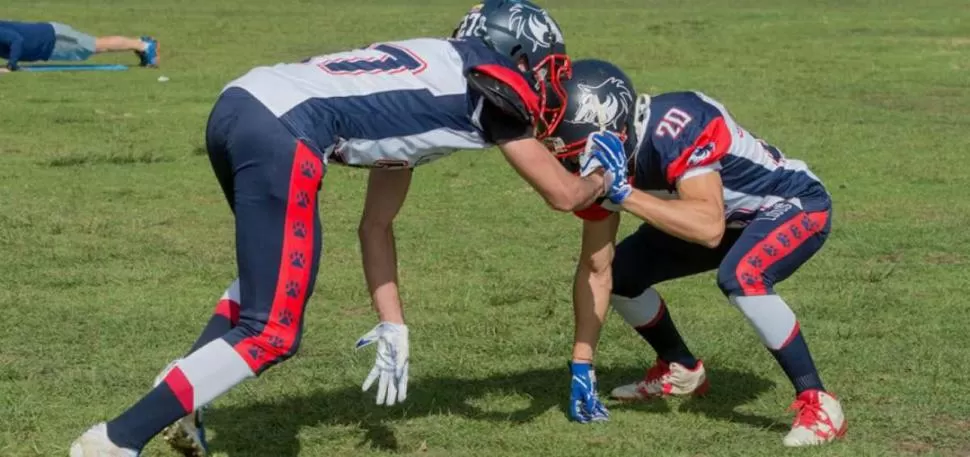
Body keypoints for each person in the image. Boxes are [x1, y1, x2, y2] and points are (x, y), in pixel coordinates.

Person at [69, 2, 624, 456]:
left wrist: (394, 324)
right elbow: (562, 194)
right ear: (516, 53)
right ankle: (116, 441)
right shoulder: (491, 81)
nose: (546, 81)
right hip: (284, 131)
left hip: (241, 105)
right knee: (274, 331)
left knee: (266, 281)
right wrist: (603, 175)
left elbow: (375, 225)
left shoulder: (435, 79)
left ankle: (185, 391)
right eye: (543, 66)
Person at [544, 58, 846, 446]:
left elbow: (707, 227)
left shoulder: (677, 124)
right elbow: (596, 269)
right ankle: (681, 368)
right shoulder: (605, 163)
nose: (570, 163)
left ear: (611, 125)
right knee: (622, 275)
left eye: (574, 151)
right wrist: (582, 364)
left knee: (742, 276)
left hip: (792, 205)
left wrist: (624, 194)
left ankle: (819, 403)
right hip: (727, 222)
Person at [0, 19, 158, 72]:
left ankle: (144, 45)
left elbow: (16, 40)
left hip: (54, 39)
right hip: (47, 46)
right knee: (97, 46)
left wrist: (10, 66)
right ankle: (140, 44)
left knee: (98, 45)